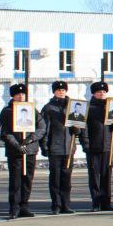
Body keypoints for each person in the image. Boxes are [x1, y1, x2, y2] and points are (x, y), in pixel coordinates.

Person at [0, 82, 46, 219]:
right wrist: (17, 145)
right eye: (18, 94)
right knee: (16, 180)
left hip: (30, 150)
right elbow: (5, 132)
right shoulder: (7, 111)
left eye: (22, 94)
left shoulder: (32, 110)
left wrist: (31, 139)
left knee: (27, 179)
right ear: (13, 96)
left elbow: (41, 127)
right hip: (16, 151)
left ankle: (24, 205)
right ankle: (14, 207)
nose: (21, 96)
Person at [40, 80, 87, 214]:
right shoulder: (49, 108)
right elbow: (45, 129)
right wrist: (44, 145)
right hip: (54, 147)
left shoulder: (73, 106)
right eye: (58, 90)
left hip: (68, 147)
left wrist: (77, 130)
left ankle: (66, 204)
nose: (61, 92)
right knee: (55, 177)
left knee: (66, 178)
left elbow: (80, 126)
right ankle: (56, 204)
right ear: (54, 92)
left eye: (63, 90)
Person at [84, 81, 113, 212]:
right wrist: (86, 143)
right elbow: (84, 128)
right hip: (93, 146)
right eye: (99, 92)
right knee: (94, 176)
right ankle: (96, 202)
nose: (102, 94)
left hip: (107, 146)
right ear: (94, 93)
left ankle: (106, 202)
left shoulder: (111, 107)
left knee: (106, 176)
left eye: (104, 92)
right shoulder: (89, 108)